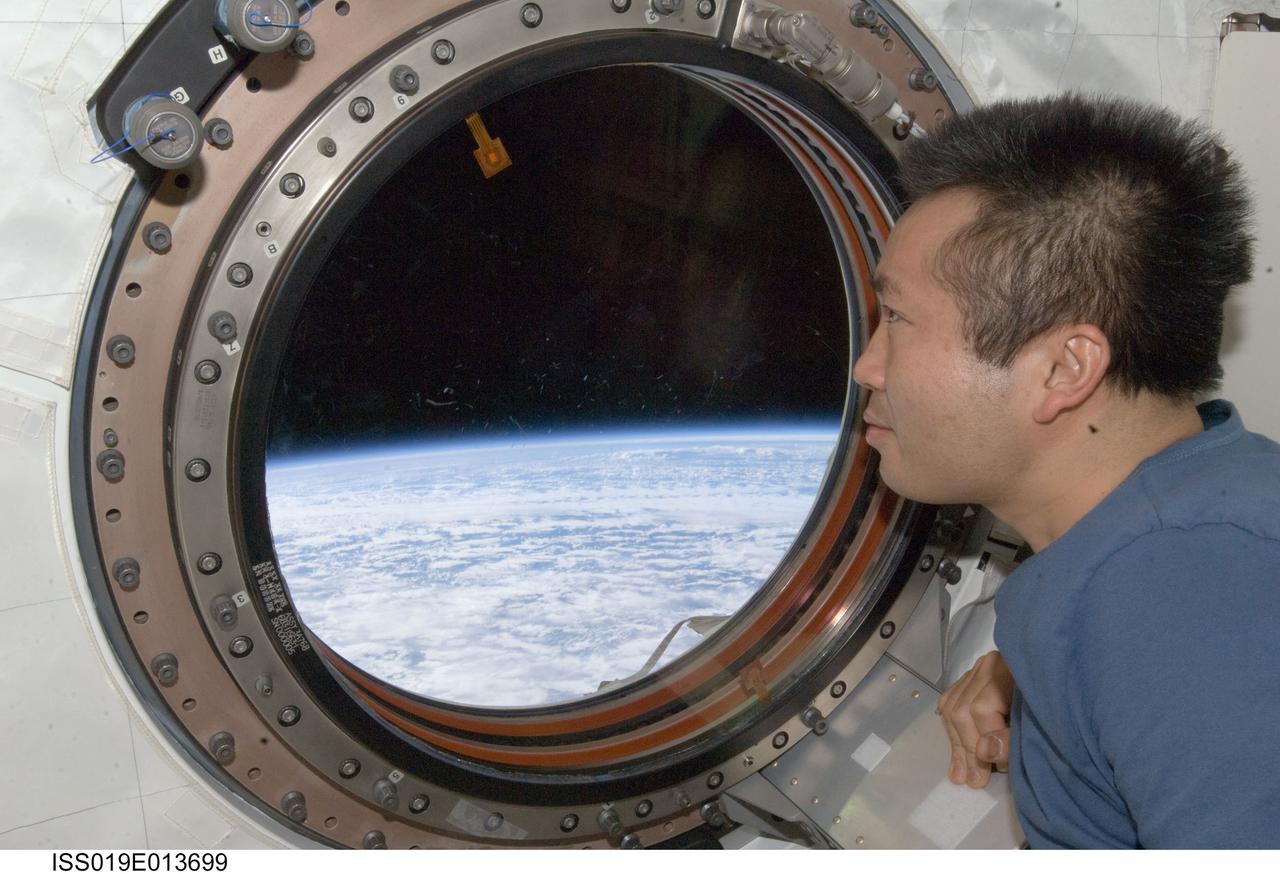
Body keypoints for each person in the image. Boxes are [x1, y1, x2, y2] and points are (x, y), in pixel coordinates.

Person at [851, 93, 1280, 848]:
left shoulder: (1192, 590)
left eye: (901, 319)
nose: (867, 366)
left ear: (1063, 368)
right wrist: (1041, 675)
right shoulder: (1178, 532)